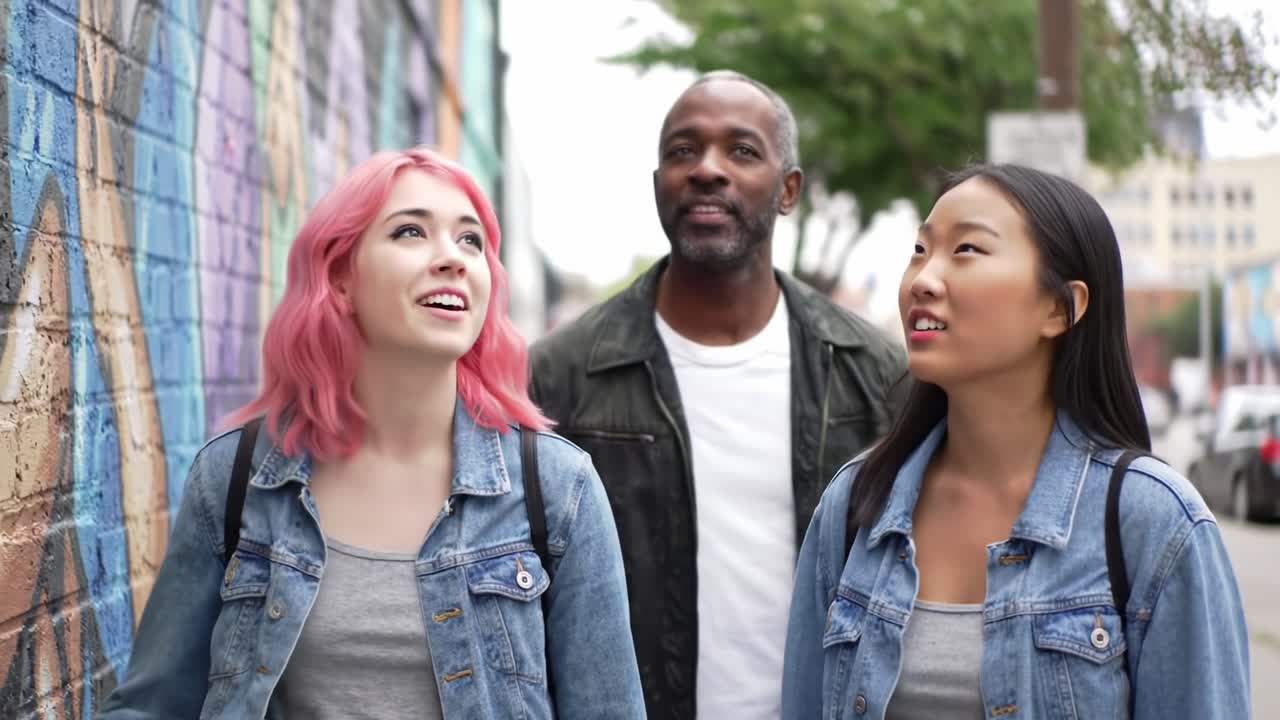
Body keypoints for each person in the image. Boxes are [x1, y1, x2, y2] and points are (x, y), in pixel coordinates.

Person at [98, 147, 645, 719]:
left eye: (470, 240)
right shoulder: (236, 478)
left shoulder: (558, 489)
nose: (452, 259)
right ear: (340, 278)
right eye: (411, 231)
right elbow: (153, 706)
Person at [782, 164, 1250, 719]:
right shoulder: (856, 505)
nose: (923, 279)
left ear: (1061, 307)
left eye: (967, 251)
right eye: (919, 249)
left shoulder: (1155, 522)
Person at [529, 71, 907, 720]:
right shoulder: (560, 377)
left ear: (789, 190)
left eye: (742, 150)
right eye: (683, 151)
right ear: (658, 188)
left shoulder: (875, 375)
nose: (707, 169)